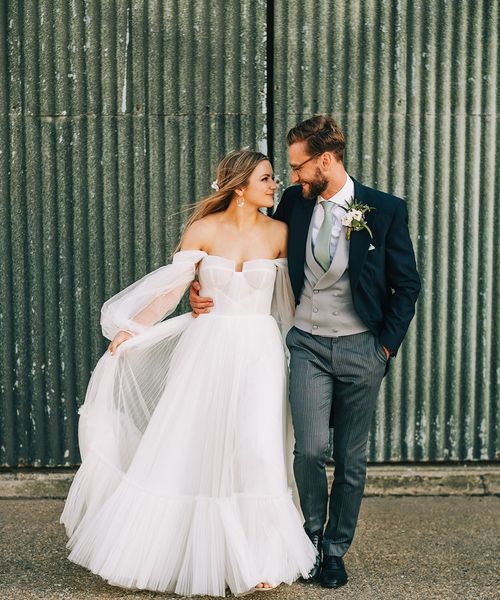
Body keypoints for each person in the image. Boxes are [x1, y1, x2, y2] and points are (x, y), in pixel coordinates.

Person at [59, 149, 317, 597]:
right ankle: (179, 552)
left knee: (256, 447)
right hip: (208, 347)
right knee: (193, 442)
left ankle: (257, 556)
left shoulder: (280, 233)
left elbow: (289, 305)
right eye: (267, 178)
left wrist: (309, 351)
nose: (275, 185)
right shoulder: (202, 230)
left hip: (259, 350)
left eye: (275, 177)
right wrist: (131, 331)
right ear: (240, 188)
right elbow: (170, 292)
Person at [190, 116, 421, 589]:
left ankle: (336, 551)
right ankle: (309, 540)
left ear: (326, 160)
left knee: (351, 459)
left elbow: (408, 284)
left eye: (297, 167)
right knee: (309, 449)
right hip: (308, 345)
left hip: (363, 348)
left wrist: (384, 348)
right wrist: (199, 286)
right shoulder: (295, 203)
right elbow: (246, 243)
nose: (291, 177)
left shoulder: (383, 209)